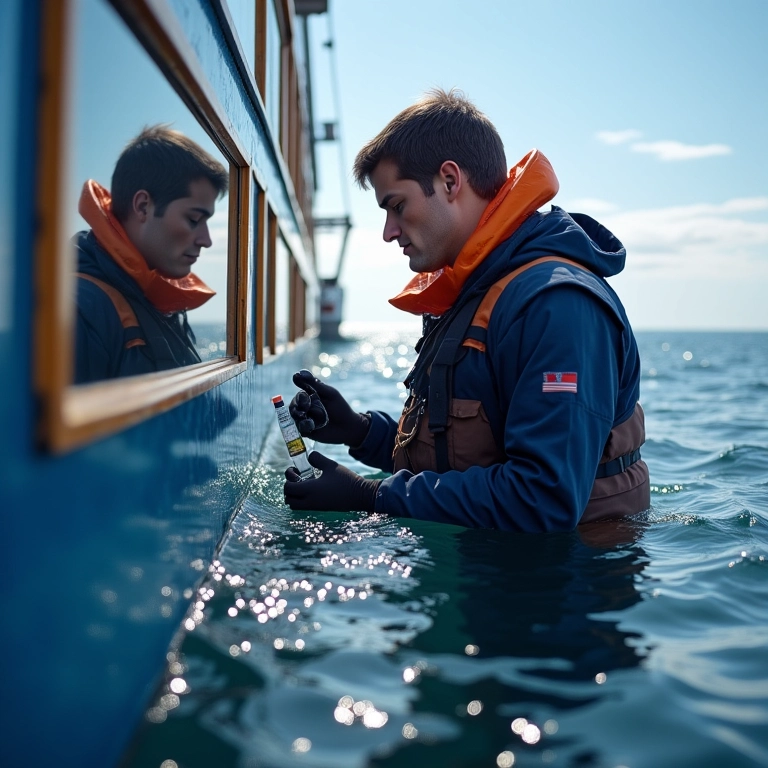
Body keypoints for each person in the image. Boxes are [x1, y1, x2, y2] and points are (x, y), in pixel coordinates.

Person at [284, 89, 650, 532]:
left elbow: (545, 499)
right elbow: (460, 454)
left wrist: (372, 497)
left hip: (556, 589)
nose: (388, 232)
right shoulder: (475, 293)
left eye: (397, 206)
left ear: (451, 181)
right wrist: (361, 432)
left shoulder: (558, 305)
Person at [74, 125, 229, 384]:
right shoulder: (78, 310)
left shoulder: (158, 300)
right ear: (143, 207)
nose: (207, 240)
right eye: (193, 219)